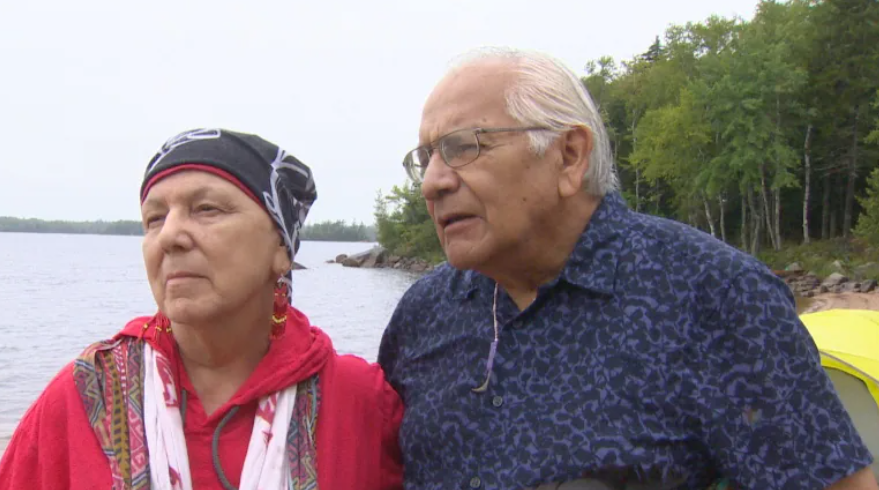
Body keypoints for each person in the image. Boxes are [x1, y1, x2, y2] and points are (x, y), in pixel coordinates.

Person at [378, 47, 877, 490]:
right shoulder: (422, 315)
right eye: (425, 158)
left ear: (569, 155)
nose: (433, 183)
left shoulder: (714, 296)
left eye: (464, 147)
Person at [0, 128, 403, 490]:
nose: (170, 235)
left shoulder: (358, 403)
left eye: (207, 209)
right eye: (154, 218)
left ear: (282, 249)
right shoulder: (84, 398)